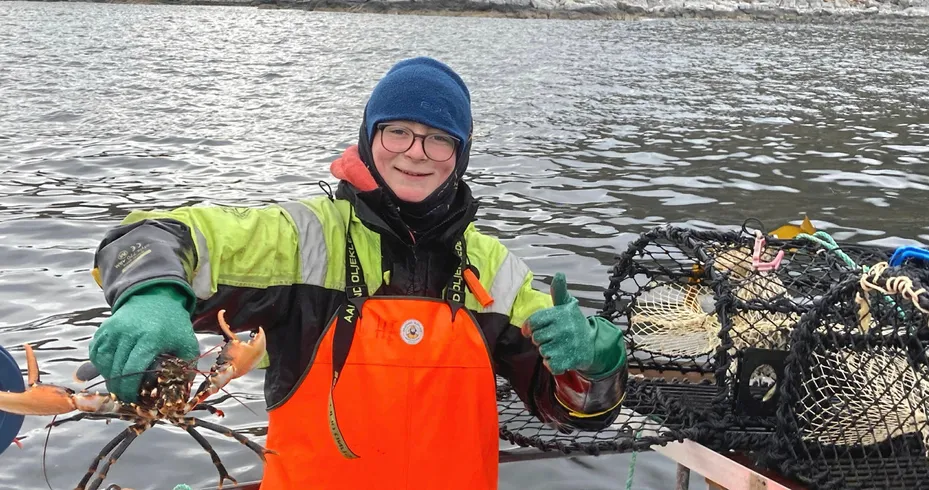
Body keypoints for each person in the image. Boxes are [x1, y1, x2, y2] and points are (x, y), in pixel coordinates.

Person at [87, 56, 628, 489]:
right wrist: (152, 293)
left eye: (439, 137)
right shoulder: (302, 239)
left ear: (459, 154)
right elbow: (152, 235)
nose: (417, 153)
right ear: (370, 136)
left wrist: (594, 367)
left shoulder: (496, 271)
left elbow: (577, 414)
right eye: (398, 132)